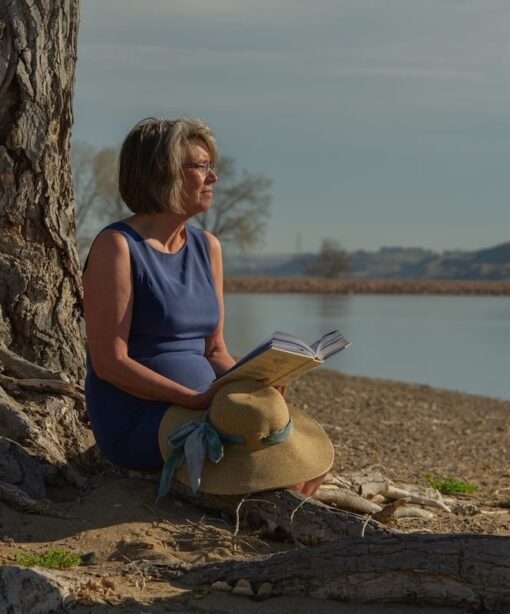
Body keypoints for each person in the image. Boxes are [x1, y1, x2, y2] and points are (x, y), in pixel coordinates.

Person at [83, 117, 331, 496]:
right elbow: (109, 362)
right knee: (272, 465)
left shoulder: (207, 247)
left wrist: (253, 382)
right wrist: (193, 399)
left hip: (202, 403)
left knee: (291, 448)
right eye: (201, 167)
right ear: (162, 173)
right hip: (137, 415)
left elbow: (214, 349)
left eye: (211, 166)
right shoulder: (117, 247)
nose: (213, 178)